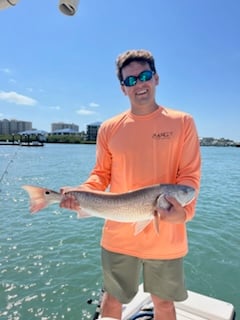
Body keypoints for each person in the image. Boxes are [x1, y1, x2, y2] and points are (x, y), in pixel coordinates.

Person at [60, 49, 201, 320]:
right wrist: (81, 193)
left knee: (164, 305)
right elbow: (100, 174)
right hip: (118, 232)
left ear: (156, 78)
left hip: (167, 235)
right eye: (131, 80)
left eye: (145, 76)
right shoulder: (110, 128)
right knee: (111, 301)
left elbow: (190, 178)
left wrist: (183, 213)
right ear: (123, 88)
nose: (139, 84)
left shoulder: (183, 122)